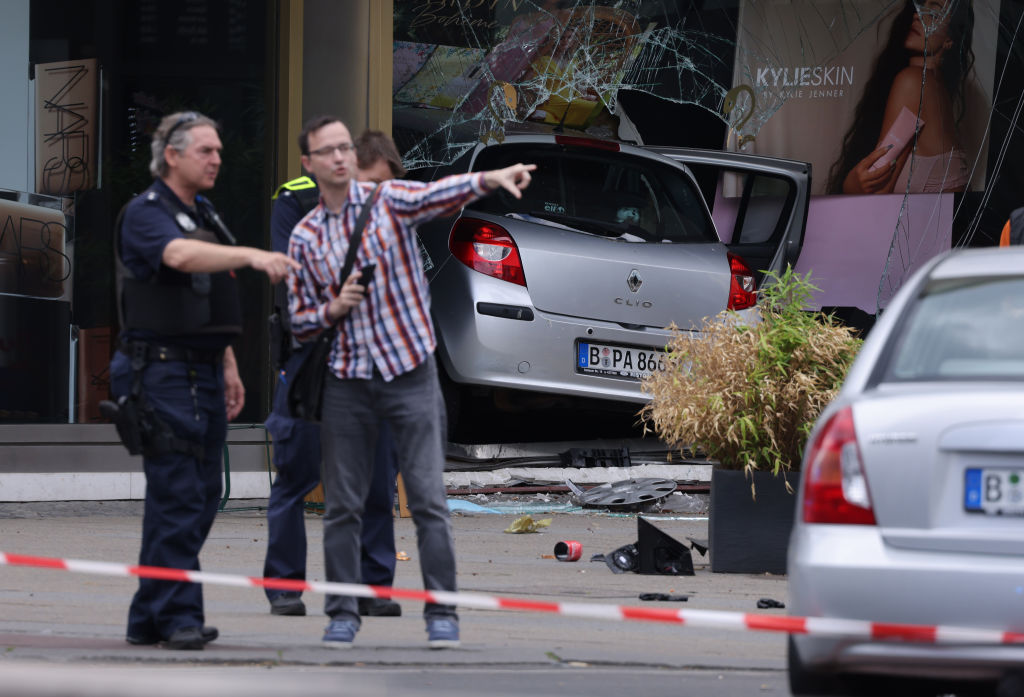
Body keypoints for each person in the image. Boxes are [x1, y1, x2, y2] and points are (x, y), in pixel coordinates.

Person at [286, 115, 534, 649]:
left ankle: (442, 614)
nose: (337, 157)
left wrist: (493, 178)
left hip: (410, 374)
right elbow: (300, 320)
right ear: (309, 165)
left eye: (343, 148)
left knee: (426, 499)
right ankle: (342, 614)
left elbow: (440, 192)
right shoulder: (306, 236)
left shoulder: (389, 201)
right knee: (344, 505)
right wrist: (333, 307)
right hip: (348, 380)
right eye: (325, 151)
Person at [108, 111, 298, 650]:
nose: (217, 159)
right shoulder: (147, 213)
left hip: (204, 368)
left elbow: (209, 296)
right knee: (179, 495)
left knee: (203, 492)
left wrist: (230, 364)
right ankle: (178, 617)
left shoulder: (205, 210)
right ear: (172, 154)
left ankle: (147, 615)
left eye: (218, 151)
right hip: (161, 372)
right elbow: (178, 256)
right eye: (206, 151)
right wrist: (254, 254)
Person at [262, 129, 408, 618]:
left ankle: (373, 587)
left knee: (376, 482)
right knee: (296, 478)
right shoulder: (298, 202)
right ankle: (284, 588)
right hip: (312, 364)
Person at [826, 0, 975, 194]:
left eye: (934, 14)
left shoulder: (915, 82)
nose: (917, 15)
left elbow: (876, 190)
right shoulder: (937, 91)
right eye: (920, 8)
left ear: (950, 39)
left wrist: (850, 185)